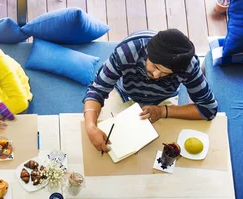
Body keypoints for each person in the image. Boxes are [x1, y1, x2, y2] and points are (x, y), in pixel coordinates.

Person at [83, 29, 218, 153]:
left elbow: (208, 109)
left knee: (161, 150)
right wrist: (90, 126)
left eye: (166, 73)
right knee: (108, 140)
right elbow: (97, 90)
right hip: (124, 94)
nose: (156, 75)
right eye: (154, 66)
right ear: (148, 52)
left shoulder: (188, 66)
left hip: (162, 101)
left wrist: (162, 111)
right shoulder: (126, 52)